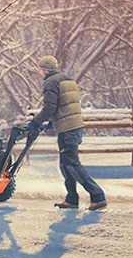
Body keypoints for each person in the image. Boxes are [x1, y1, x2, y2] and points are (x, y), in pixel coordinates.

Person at [28, 55, 107, 211]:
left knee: (72, 164)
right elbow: (65, 105)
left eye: (40, 70)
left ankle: (98, 196)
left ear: (45, 70)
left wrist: (36, 122)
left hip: (68, 130)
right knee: (65, 164)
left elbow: (50, 107)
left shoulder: (50, 82)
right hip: (73, 127)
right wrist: (52, 122)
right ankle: (71, 199)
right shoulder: (67, 79)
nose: (40, 73)